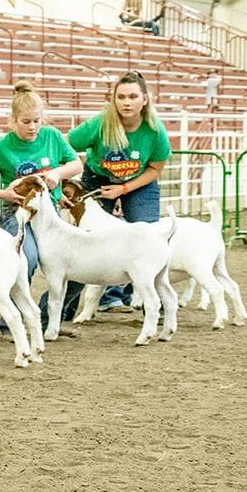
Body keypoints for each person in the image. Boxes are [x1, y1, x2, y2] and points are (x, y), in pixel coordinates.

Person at [0, 81, 83, 336]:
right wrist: (3, 193)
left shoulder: (52, 136)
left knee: (80, 261)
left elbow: (76, 164)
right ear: (13, 120)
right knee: (25, 259)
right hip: (18, 213)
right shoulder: (0, 147)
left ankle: (49, 318)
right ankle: (11, 322)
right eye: (26, 121)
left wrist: (57, 173)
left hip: (50, 212)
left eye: (36, 121)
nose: (32, 127)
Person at [66, 71, 172, 313]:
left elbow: (155, 168)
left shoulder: (155, 130)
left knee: (145, 237)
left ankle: (150, 303)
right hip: (97, 179)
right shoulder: (99, 124)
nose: (126, 102)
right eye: (121, 97)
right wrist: (68, 174)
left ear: (145, 99)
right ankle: (65, 310)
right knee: (87, 241)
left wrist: (123, 189)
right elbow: (65, 144)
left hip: (139, 182)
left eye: (133, 96)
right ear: (113, 99)